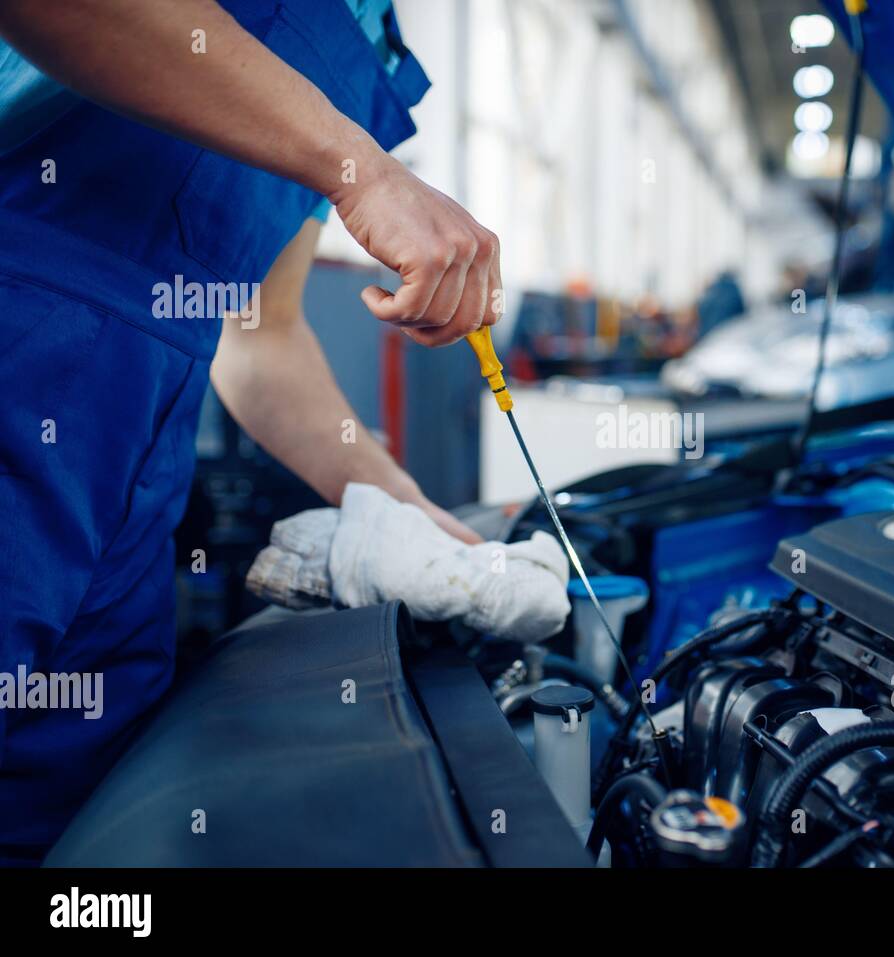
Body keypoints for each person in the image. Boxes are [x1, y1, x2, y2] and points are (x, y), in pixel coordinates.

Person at [0, 0, 497, 864]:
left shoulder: (364, 31)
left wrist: (407, 513)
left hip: (136, 490)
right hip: (20, 349)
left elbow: (262, 337)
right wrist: (362, 171)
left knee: (70, 832)